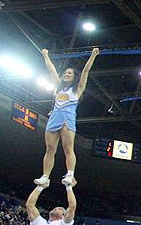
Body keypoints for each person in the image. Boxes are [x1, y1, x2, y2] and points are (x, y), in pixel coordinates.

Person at [33, 48, 99, 188]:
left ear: (75, 77)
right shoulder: (58, 87)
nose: (66, 74)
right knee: (50, 149)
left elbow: (86, 71)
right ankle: (45, 177)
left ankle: (70, 174)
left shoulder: (77, 89)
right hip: (54, 117)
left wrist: (93, 55)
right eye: (65, 72)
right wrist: (46, 55)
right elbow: (51, 70)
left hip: (67, 118)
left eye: (69, 73)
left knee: (68, 148)